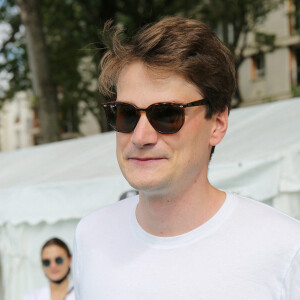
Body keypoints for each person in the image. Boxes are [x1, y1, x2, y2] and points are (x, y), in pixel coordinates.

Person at [73, 17, 300, 299]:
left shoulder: (285, 249)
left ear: (217, 124)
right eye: (125, 113)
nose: (141, 136)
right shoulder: (92, 237)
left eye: (167, 114)